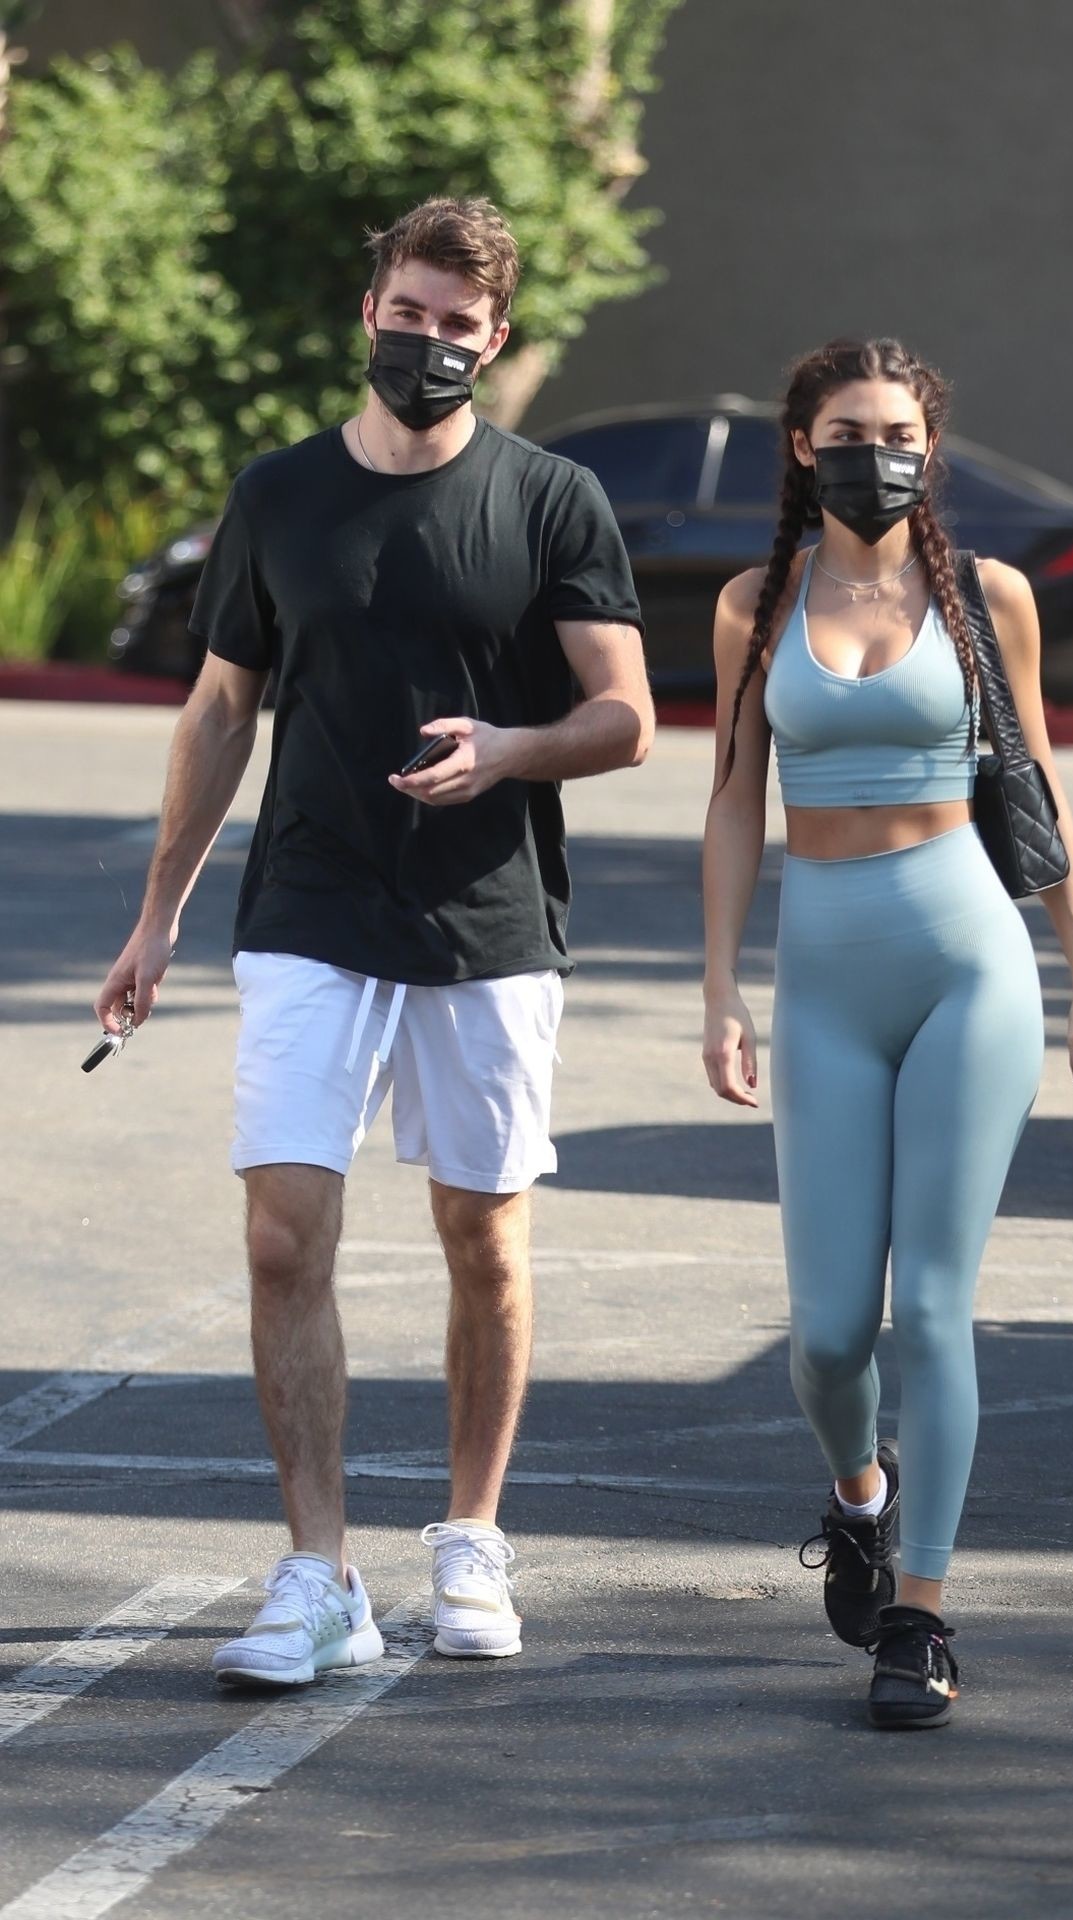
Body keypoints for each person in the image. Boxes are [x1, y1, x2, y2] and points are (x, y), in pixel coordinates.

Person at [94, 196, 653, 1686]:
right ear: (370, 315)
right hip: (312, 904)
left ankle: (471, 1536)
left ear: (496, 338)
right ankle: (317, 1573)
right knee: (283, 1234)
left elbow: (626, 718)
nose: (427, 343)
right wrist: (158, 915)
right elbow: (221, 710)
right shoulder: (280, 495)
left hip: (489, 914)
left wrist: (511, 750)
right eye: (407, 315)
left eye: (457, 325)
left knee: (485, 1239)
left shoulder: (549, 499)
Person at [701, 337, 1073, 1729]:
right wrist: (719, 987)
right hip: (824, 978)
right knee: (829, 1338)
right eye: (845, 433)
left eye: (896, 434)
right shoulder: (756, 603)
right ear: (800, 446)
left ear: (929, 448)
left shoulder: (987, 595)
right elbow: (732, 797)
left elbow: (1039, 780)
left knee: (934, 1308)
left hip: (969, 964)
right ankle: (860, 1497)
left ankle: (921, 1618)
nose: (872, 455)